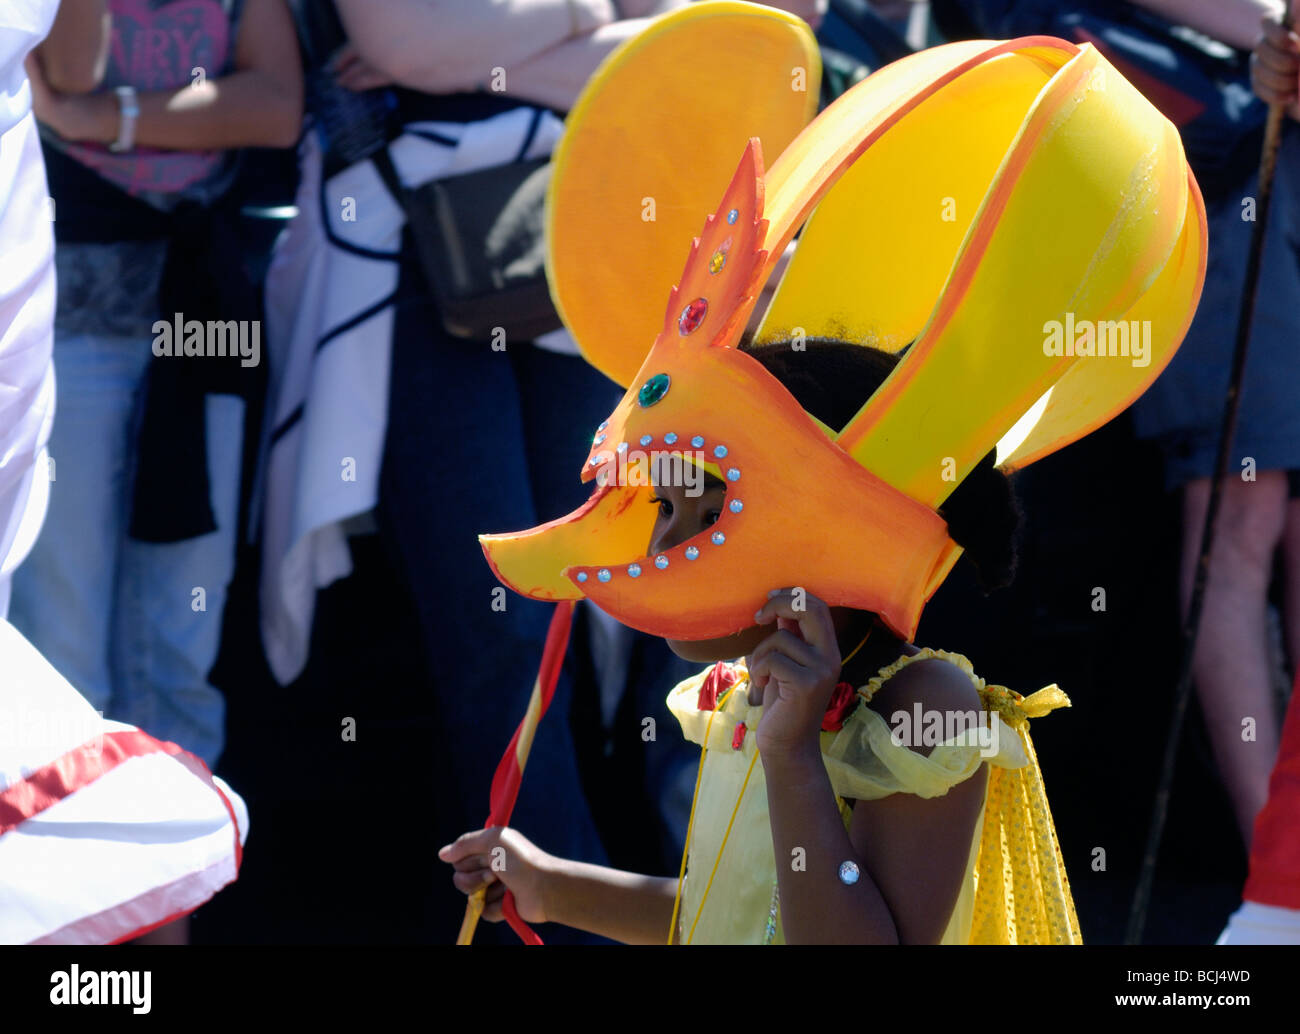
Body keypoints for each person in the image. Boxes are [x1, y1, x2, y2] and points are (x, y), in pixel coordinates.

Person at [438, 6, 1206, 943]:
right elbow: (733, 921)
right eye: (665, 507)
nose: (665, 544)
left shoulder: (928, 710)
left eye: (703, 506)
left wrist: (796, 755)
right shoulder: (742, 693)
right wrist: (554, 885)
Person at [0, 0, 248, 946]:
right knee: (61, 647)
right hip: (69, 314)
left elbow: (274, 102)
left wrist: (111, 119)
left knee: (182, 643)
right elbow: (60, 66)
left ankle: (167, 926)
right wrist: (107, 113)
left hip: (204, 312)